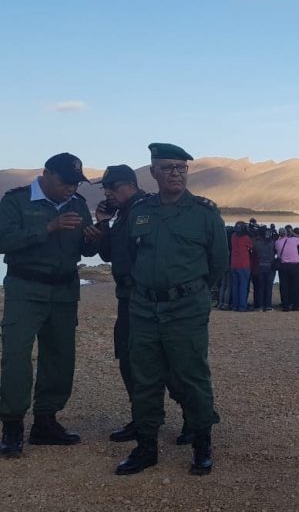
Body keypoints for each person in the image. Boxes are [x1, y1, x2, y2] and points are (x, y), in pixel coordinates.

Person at [115, 143, 228, 476]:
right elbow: (128, 256)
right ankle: (146, 447)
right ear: (153, 172)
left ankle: (202, 445)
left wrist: (191, 292)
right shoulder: (140, 211)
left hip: (186, 308)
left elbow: (218, 263)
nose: (175, 173)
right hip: (144, 307)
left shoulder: (204, 213)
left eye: (181, 167)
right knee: (144, 377)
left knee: (192, 376)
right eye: (167, 167)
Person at [0, 153, 101, 458]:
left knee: (60, 356)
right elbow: (3, 240)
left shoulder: (78, 204)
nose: (71, 188)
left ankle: (45, 421)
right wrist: (48, 228)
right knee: (16, 355)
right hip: (25, 287)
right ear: (46, 174)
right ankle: (12, 425)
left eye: (76, 183)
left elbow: (85, 249)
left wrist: (93, 239)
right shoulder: (16, 201)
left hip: (64, 290)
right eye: (66, 182)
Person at [94, 165, 190, 444]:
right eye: (105, 189)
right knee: (128, 359)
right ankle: (142, 418)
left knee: (166, 362)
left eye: (112, 188)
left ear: (130, 185)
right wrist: (103, 223)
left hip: (148, 300)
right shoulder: (123, 214)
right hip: (127, 298)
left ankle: (193, 418)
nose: (108, 194)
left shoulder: (148, 209)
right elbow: (109, 254)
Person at [275, 227, 299, 311]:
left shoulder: (277, 242)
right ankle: (295, 305)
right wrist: (292, 233)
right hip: (294, 265)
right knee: (295, 286)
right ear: (287, 233)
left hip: (283, 266)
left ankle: (285, 305)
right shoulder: (293, 240)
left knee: (284, 286)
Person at [251, 225, 276, 311]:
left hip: (260, 266)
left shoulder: (256, 242)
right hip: (270, 266)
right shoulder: (272, 242)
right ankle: (268, 305)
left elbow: (254, 251)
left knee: (260, 287)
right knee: (268, 287)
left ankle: (260, 306)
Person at [230, 222, 253, 311]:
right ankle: (242, 306)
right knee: (243, 286)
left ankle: (235, 305)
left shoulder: (233, 236)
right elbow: (251, 246)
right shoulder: (246, 238)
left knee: (235, 286)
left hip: (234, 263)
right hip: (243, 264)